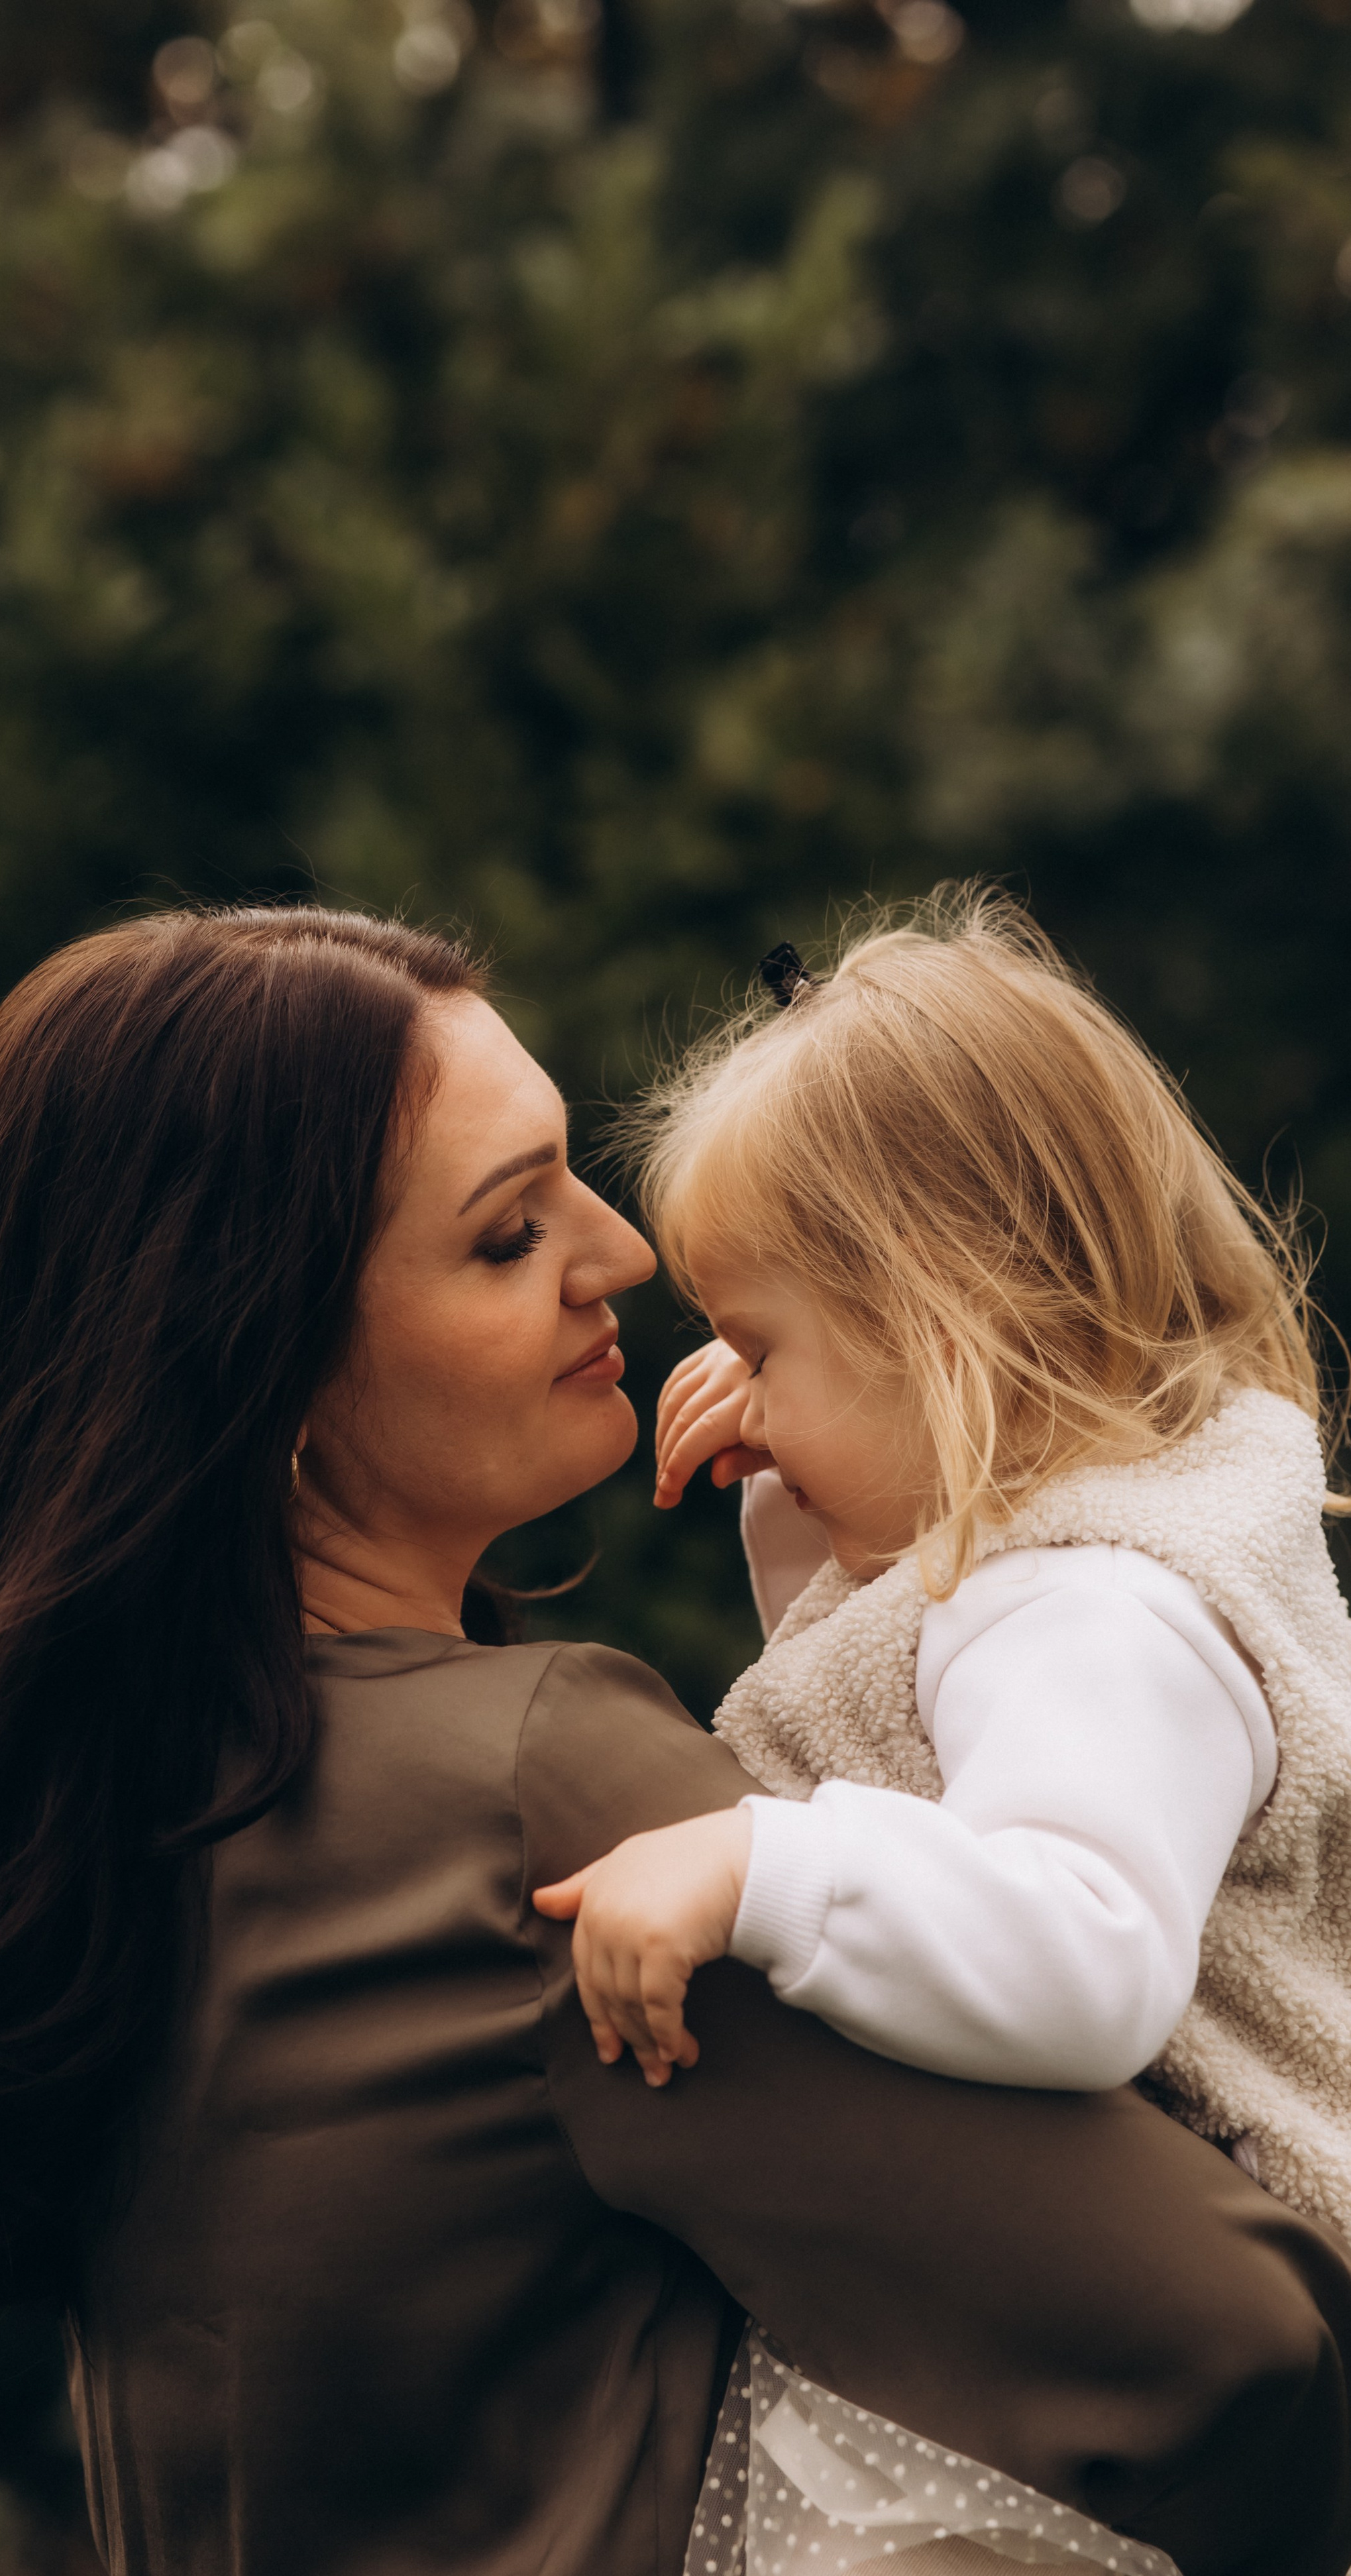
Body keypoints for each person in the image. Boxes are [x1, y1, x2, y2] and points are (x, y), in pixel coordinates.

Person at [0, 904, 1351, 2576]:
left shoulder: (124, 1814)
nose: (625, 1258)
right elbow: (1228, 2343)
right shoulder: (529, 1788)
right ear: (264, 1372)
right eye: (508, 1235)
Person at [534, 888, 1351, 2569]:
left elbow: (1076, 1949)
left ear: (945, 1327)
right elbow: (920, 1738)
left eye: (758, 1342)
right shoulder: (1046, 1557)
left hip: (1184, 2340)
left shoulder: (1105, 1613)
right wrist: (793, 1502)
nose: (725, 1383)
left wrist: (763, 1863)